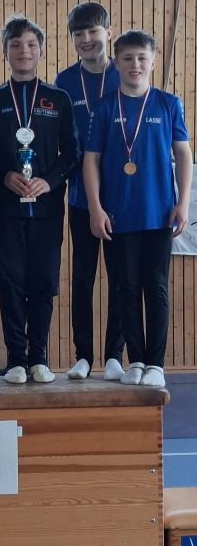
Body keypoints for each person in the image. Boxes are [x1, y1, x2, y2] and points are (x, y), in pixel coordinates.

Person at [83, 29, 193, 387]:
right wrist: (96, 208)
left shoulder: (168, 103)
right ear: (115, 62)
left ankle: (156, 364)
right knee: (125, 288)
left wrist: (182, 203)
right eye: (128, 58)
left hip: (159, 215)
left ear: (153, 61)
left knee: (156, 288)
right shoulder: (104, 108)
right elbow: (91, 160)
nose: (135, 64)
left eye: (142, 58)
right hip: (118, 216)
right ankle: (136, 361)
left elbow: (183, 155)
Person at [0, 15, 79, 384]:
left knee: (43, 281)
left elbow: (72, 154)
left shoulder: (58, 99)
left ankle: (39, 358)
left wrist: (48, 182)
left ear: (41, 51)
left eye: (31, 45)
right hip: (6, 206)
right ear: (5, 52)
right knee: (11, 282)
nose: (24, 50)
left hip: (47, 207)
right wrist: (5, 175)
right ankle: (15, 361)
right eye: (16, 45)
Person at [55, 2, 125, 381]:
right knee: (82, 277)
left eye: (92, 31)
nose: (85, 39)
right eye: (78, 33)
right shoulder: (64, 81)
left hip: (123, 199)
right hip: (81, 197)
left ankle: (114, 355)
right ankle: (83, 355)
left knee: (120, 278)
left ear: (108, 33)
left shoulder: (124, 74)